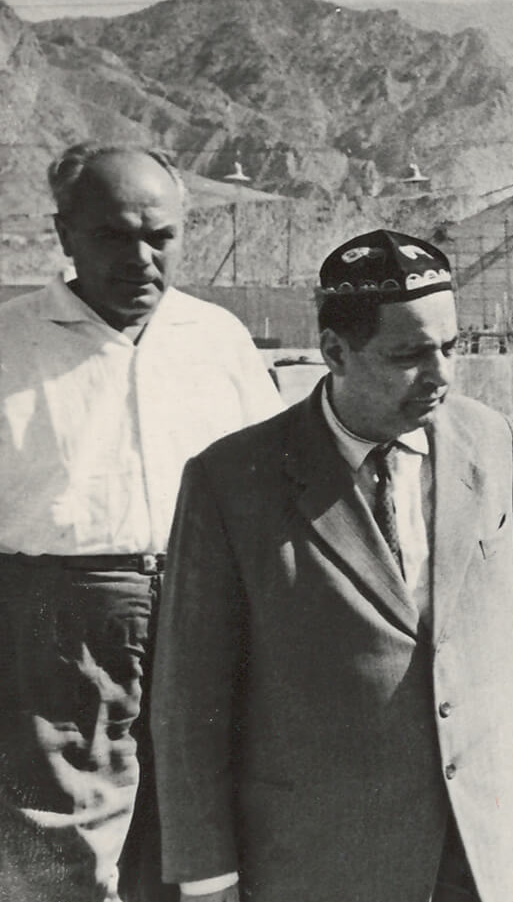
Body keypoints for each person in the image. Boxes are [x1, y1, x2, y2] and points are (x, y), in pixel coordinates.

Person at [150, 230, 513, 902]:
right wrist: (208, 874)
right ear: (335, 351)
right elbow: (191, 699)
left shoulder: (490, 440)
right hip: (326, 860)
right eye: (409, 354)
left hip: (483, 850)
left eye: (451, 346)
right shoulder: (232, 481)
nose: (442, 375)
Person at [0, 144, 280, 902]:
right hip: (57, 624)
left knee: (199, 836)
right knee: (61, 847)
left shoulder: (217, 338)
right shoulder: (11, 341)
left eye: (161, 236)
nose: (141, 259)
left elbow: (272, 485)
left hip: (208, 606)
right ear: (64, 234)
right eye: (113, 236)